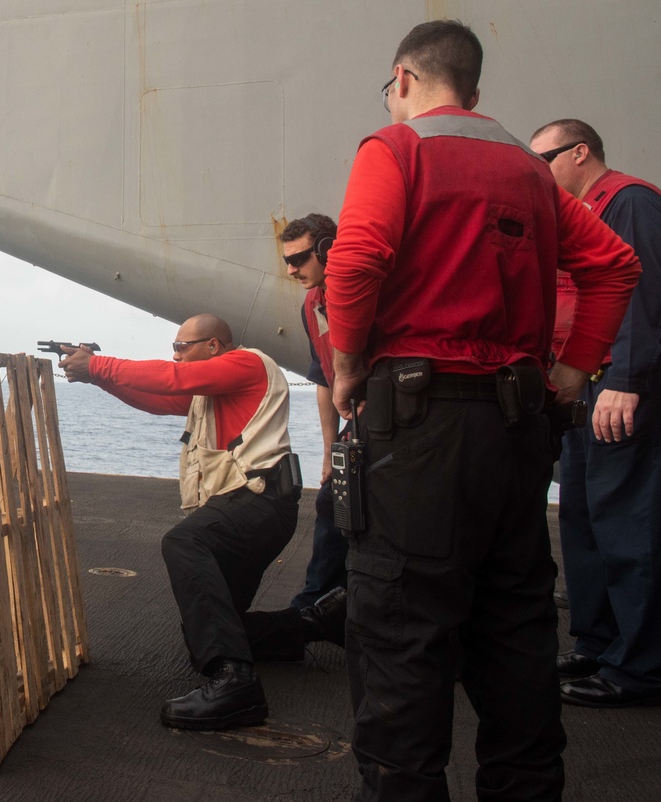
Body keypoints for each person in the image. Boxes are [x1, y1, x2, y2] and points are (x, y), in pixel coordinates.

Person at [323, 20, 640, 801]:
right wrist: (570, 373)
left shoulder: (394, 150)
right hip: (517, 429)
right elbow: (614, 265)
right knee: (515, 629)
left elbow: (357, 260)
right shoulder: (531, 174)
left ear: (403, 79)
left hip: (417, 429)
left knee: (401, 633)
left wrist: (346, 365)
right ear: (475, 91)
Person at [59, 314, 345, 731]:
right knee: (212, 628)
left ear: (213, 346)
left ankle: (236, 685)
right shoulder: (213, 390)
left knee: (184, 543)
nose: (175, 355)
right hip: (260, 509)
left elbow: (170, 379)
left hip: (258, 501)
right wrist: (97, 379)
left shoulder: (246, 363)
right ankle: (312, 623)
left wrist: (98, 365)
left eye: (182, 347)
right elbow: (157, 398)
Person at [529, 119, 661, 709]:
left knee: (628, 525)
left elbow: (642, 293)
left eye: (545, 159)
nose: (538, 172)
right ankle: (597, 641)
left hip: (616, 389)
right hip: (584, 391)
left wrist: (626, 381)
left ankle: (641, 667)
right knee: (581, 518)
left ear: (580, 153)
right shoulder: (580, 216)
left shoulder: (628, 201)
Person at [280, 214, 349, 608]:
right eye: (287, 261)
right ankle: (325, 602)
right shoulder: (313, 303)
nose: (291, 270)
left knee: (339, 507)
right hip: (357, 422)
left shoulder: (361, 291)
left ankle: (316, 602)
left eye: (300, 258)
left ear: (327, 249)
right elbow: (324, 378)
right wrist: (329, 452)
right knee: (332, 500)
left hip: (392, 418)